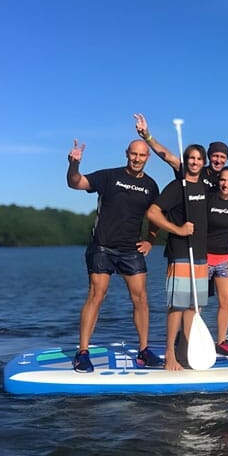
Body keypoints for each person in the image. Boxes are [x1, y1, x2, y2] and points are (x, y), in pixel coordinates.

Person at [66, 138, 161, 373]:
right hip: (102, 247)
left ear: (147, 158)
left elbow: (156, 215)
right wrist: (73, 165)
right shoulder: (109, 176)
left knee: (141, 299)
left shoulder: (151, 186)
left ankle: (144, 351)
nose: (137, 159)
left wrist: (150, 239)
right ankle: (83, 353)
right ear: (127, 153)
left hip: (131, 249)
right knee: (96, 295)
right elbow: (75, 183)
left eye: (142, 155)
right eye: (133, 154)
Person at [146, 144, 210, 371]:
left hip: (201, 255)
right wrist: (178, 229)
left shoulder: (205, 186)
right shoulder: (177, 186)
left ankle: (185, 350)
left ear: (204, 163)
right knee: (178, 306)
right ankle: (170, 354)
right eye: (190, 158)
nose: (194, 162)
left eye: (198, 159)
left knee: (195, 306)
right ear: (187, 161)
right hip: (182, 253)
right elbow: (152, 212)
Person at [134, 113, 228, 192]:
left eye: (222, 157)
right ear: (208, 157)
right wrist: (147, 136)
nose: (218, 160)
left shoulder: (227, 181)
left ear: (227, 159)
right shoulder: (193, 169)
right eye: (215, 156)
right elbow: (168, 157)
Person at [206, 165, 228, 356]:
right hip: (205, 258)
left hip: (225, 258)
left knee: (225, 301)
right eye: (223, 179)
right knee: (198, 303)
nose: (225, 184)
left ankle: (221, 341)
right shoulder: (208, 200)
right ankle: (188, 339)